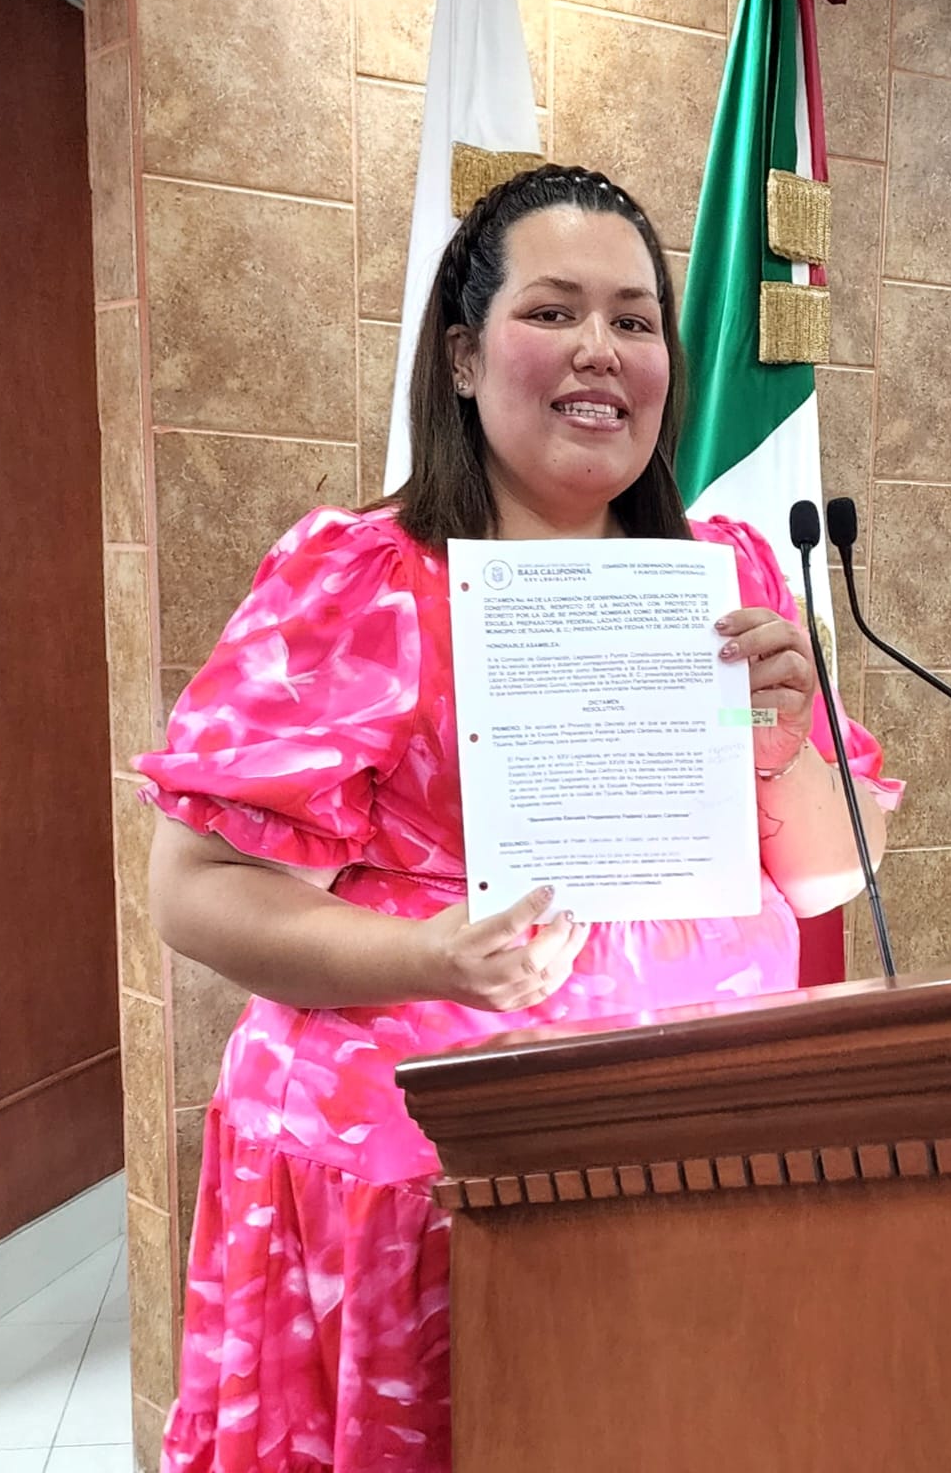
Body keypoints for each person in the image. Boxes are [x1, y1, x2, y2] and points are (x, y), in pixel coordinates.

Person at [140, 164, 901, 1472]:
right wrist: (435, 958)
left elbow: (836, 879)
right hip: (425, 1194)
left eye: (634, 320)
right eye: (553, 312)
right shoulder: (364, 577)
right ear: (461, 354)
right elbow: (194, 889)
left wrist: (778, 746)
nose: (600, 349)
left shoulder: (728, 573)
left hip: (700, 1165)